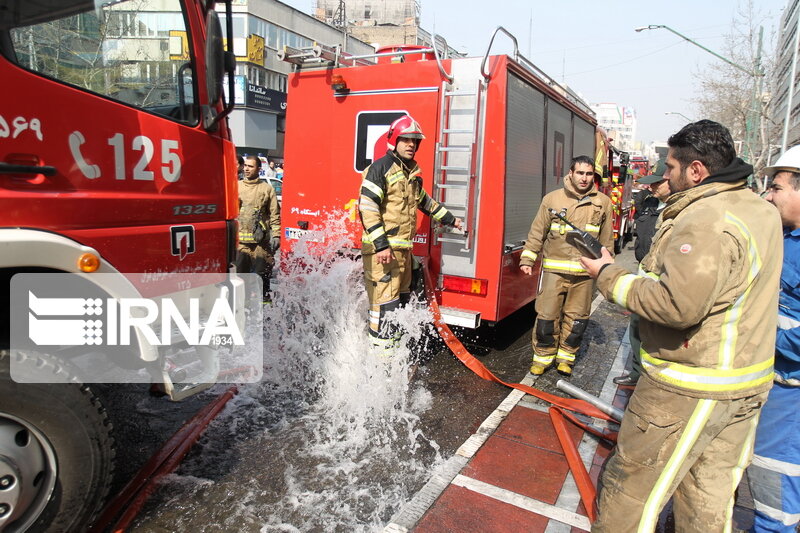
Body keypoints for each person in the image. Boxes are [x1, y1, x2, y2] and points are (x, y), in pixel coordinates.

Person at [580, 120, 783, 533]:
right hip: (743, 386)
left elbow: (677, 305)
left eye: (671, 168)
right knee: (706, 502)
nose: (665, 176)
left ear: (696, 171)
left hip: (688, 387)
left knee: (630, 494)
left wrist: (607, 274)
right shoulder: (760, 209)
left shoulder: (706, 219)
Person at [358, 114, 462, 354]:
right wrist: (382, 246)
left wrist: (451, 220)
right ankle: (379, 358)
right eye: (406, 140)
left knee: (399, 304)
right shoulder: (380, 169)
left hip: (402, 253)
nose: (411, 145)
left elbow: (427, 203)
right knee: (383, 306)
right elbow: (368, 208)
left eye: (415, 141)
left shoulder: (411, 175)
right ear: (394, 140)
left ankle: (392, 350)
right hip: (382, 254)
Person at [519, 155, 614, 376]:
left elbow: (607, 240)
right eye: (580, 173)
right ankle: (542, 359)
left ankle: (566, 359)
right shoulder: (552, 200)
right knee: (546, 317)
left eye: (589, 174)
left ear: (593, 176)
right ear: (570, 173)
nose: (584, 178)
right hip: (554, 272)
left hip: (584, 274)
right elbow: (537, 231)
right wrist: (528, 258)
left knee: (577, 320)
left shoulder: (603, 202)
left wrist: (607, 271)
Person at [747, 145, 800, 533]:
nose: (769, 195)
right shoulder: (788, 239)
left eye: (777, 188)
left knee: (774, 479)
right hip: (775, 378)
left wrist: (751, 334)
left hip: (789, 392)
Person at [613, 159, 670, 387]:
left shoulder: (679, 211)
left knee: (659, 333)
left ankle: (654, 377)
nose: (652, 187)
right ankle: (636, 372)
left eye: (657, 183)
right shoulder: (648, 203)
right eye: (650, 183)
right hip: (643, 273)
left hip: (663, 280)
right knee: (636, 326)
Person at [237, 155, 281, 303]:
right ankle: (242, 308)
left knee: (262, 277)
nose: (246, 169)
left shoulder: (267, 189)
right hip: (240, 245)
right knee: (240, 279)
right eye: (245, 166)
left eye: (251, 166)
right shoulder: (236, 187)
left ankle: (265, 311)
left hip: (260, 245)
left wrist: (276, 235)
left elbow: (275, 214)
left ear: (258, 169)